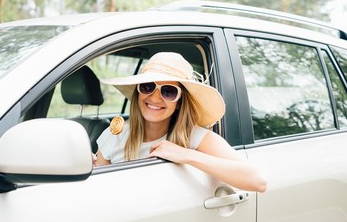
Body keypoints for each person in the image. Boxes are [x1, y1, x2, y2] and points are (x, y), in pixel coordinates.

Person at [94, 52, 267, 192]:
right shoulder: (115, 133)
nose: (154, 98)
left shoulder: (195, 137)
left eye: (168, 91)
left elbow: (257, 181)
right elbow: (98, 187)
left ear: (179, 102)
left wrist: (186, 155)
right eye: (147, 86)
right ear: (138, 92)